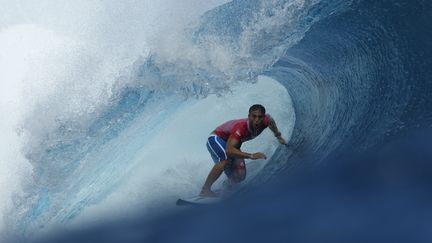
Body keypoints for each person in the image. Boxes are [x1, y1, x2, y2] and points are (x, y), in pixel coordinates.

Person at [200, 104, 286, 197]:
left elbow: (271, 121)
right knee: (225, 160)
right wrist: (252, 156)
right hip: (216, 139)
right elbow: (229, 150)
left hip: (232, 144)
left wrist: (278, 136)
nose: (257, 120)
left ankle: (228, 184)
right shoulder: (241, 127)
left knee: (240, 176)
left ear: (263, 117)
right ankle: (205, 190)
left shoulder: (266, 120)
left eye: (259, 117)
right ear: (249, 116)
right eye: (254, 116)